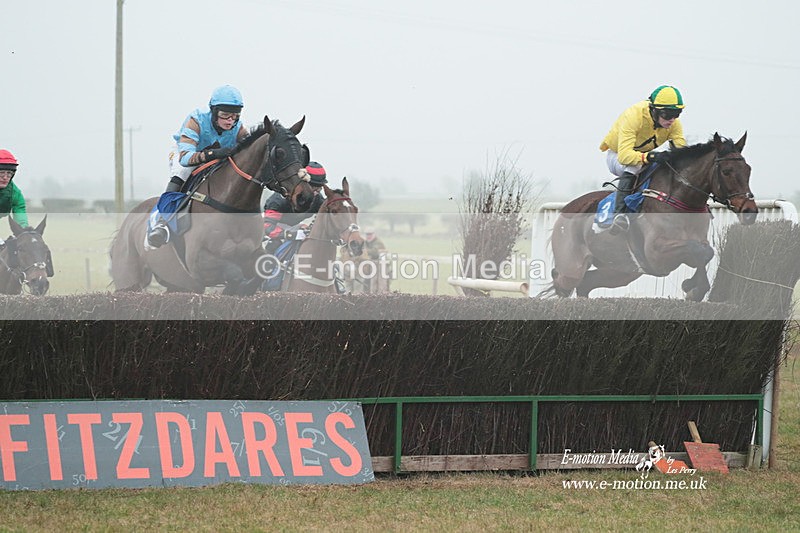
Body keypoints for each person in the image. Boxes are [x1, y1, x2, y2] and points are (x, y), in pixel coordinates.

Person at [147, 85, 249, 247]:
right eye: (225, 115)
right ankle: (161, 223)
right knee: (181, 172)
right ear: (214, 112)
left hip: (215, 158)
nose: (230, 120)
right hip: (186, 153)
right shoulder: (196, 121)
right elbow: (185, 158)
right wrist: (213, 154)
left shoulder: (238, 128)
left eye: (235, 115)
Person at [599, 85, 687, 234]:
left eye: (676, 114)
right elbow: (625, 156)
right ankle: (619, 215)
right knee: (635, 166)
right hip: (617, 156)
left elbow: (681, 151)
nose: (672, 119)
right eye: (667, 114)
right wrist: (650, 157)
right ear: (654, 110)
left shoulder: (674, 124)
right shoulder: (634, 116)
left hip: (642, 157)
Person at [262, 161, 327, 254]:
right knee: (273, 244)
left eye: (319, 188)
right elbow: (267, 227)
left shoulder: (318, 199)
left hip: (293, 227)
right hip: (266, 232)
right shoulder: (279, 200)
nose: (316, 192)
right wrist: (291, 234)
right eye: (313, 187)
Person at [0, 149, 30, 233]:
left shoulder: (15, 193)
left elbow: (21, 219)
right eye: (1, 173)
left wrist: (24, 233)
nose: (5, 177)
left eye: (9, 173)